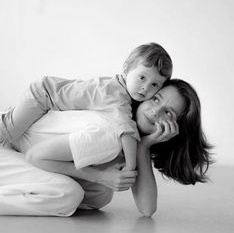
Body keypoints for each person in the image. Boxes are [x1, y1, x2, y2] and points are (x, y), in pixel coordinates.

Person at [0, 79, 212, 217]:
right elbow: (36, 155)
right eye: (155, 99)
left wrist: (144, 147)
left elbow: (147, 209)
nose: (156, 111)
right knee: (69, 194)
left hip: (22, 155)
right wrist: (98, 176)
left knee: (101, 194)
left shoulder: (128, 136)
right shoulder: (111, 133)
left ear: (175, 129)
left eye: (168, 113)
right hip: (7, 148)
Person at [0, 43, 173, 172]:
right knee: (8, 131)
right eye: (142, 78)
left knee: (10, 130)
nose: (145, 88)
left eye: (155, 85)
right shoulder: (117, 96)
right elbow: (126, 129)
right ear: (127, 69)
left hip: (47, 95)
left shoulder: (119, 89)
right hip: (43, 94)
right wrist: (131, 164)